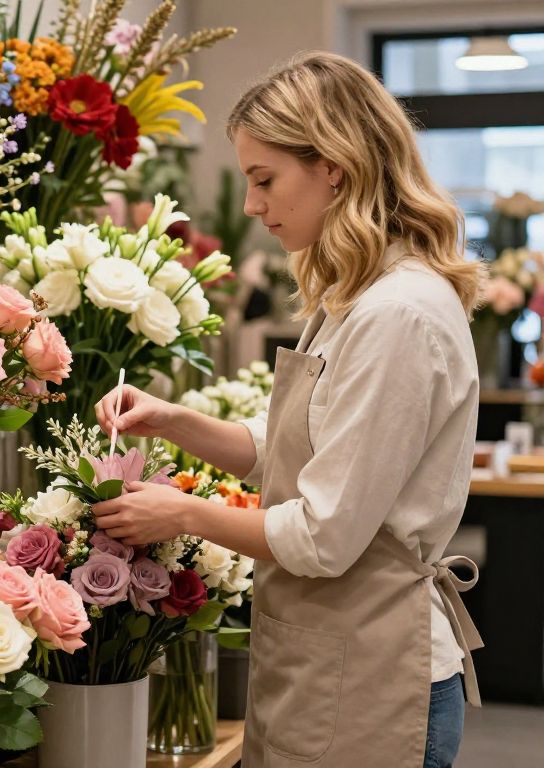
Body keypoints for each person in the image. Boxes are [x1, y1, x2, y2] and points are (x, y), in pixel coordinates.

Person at [93, 51, 485, 768]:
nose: (250, 205)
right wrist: (174, 420)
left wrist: (178, 512)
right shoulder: (357, 298)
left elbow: (325, 533)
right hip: (328, 660)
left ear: (333, 164)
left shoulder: (398, 314)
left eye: (264, 178)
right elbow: (291, 448)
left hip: (377, 679)